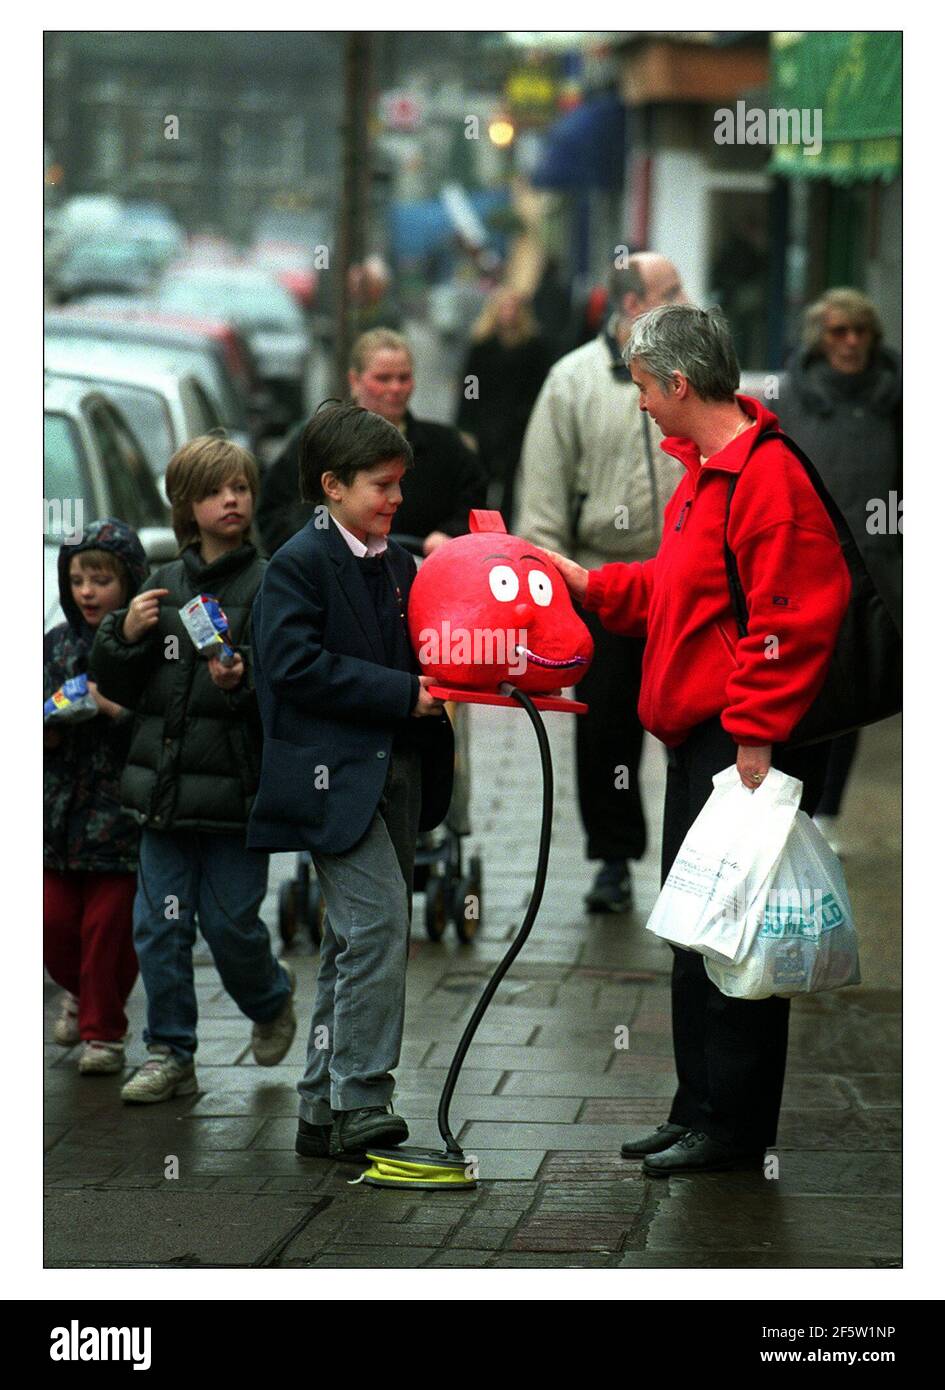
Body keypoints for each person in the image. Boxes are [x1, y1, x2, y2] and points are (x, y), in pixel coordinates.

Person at [545, 305, 850, 1175]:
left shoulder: (764, 478)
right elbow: (679, 592)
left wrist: (753, 735)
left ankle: (734, 1126)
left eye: (642, 387)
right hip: (703, 740)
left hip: (738, 745)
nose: (638, 404)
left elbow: (791, 619)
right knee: (695, 928)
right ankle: (697, 1107)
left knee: (737, 938)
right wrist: (593, 586)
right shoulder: (708, 473)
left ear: (678, 384)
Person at [247, 403, 454, 1162]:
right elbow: (292, 668)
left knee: (347, 940)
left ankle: (320, 1109)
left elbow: (432, 644)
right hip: (332, 780)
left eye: (400, 485)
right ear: (331, 486)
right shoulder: (296, 566)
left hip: (394, 772)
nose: (396, 500)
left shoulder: (398, 563)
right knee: (378, 926)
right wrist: (404, 694)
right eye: (381, 487)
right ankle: (364, 1094)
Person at [91, 436, 295, 1104]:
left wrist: (242, 678)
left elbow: (287, 684)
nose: (230, 500)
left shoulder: (268, 583)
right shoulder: (162, 584)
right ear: (186, 507)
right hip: (164, 794)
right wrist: (122, 633)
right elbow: (118, 681)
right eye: (213, 492)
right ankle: (169, 1051)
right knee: (159, 927)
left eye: (239, 487)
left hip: (236, 797)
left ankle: (268, 999)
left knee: (231, 925)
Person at [516, 251, 687, 913]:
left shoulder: (688, 377)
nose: (686, 297)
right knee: (607, 728)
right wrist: (550, 598)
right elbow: (542, 501)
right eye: (671, 290)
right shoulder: (571, 381)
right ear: (631, 304)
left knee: (691, 723)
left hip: (679, 579)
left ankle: (690, 860)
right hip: (600, 583)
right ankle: (612, 860)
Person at [776, 288, 902, 848]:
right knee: (802, 685)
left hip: (879, 567)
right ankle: (790, 806)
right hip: (803, 564)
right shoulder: (792, 397)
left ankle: (826, 814)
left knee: (852, 689)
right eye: (838, 332)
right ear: (819, 339)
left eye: (861, 332)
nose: (851, 343)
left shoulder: (900, 398)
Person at [44, 519, 148, 1075]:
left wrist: (107, 708)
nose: (87, 591)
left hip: (120, 817)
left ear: (129, 582)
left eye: (101, 579)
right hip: (56, 820)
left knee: (107, 928)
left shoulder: (148, 645)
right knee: (52, 925)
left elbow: (157, 729)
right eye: (79, 579)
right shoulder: (54, 644)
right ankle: (84, 993)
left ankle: (104, 1034)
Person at [255, 329, 487, 557]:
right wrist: (317, 551)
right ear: (355, 380)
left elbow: (477, 507)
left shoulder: (446, 446)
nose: (395, 388)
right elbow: (273, 513)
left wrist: (449, 535)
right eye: (383, 378)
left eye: (403, 378)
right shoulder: (316, 443)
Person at [455, 288, 552, 524]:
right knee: (481, 480)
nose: (508, 314)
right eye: (504, 307)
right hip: (485, 425)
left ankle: (504, 529)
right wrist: (466, 426)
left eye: (513, 308)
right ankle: (479, 527)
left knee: (511, 485)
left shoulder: (534, 347)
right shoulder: (482, 346)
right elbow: (469, 389)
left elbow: (539, 389)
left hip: (517, 426)